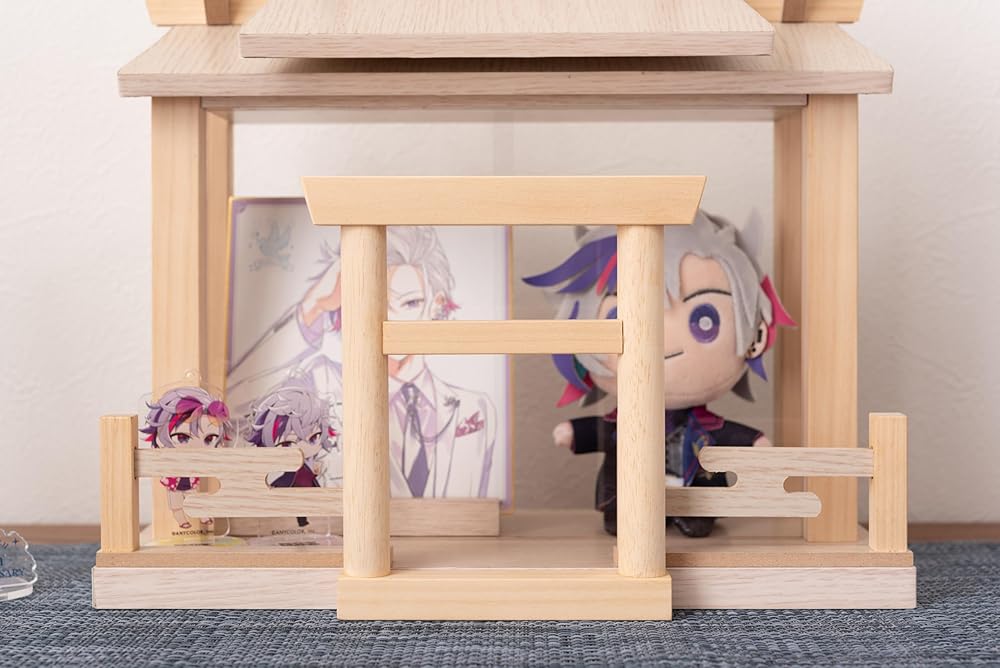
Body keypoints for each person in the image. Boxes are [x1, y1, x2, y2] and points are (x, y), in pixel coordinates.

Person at [523, 212, 795, 537]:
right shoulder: (624, 421)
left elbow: (730, 435)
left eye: (704, 320)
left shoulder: (705, 426)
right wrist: (574, 432)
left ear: (756, 335)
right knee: (624, 518)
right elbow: (601, 430)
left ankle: (692, 516)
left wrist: (754, 443)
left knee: (697, 520)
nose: (662, 341)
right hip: (627, 501)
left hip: (696, 497)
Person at [227, 226, 499, 499]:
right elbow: (232, 412)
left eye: (410, 303)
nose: (392, 319)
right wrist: (314, 306)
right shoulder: (321, 382)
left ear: (435, 305)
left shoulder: (476, 410)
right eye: (378, 304)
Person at [140, 387, 234, 529]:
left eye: (209, 439)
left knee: (194, 498)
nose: (198, 447)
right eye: (182, 437)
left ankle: (203, 517)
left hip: (190, 480)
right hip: (174, 481)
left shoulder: (198, 461)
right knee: (176, 503)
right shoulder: (166, 456)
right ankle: (181, 521)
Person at [246, 381, 337, 527]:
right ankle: (295, 522)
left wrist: (316, 469)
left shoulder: (309, 463)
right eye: (286, 444)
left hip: (307, 485)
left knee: (307, 504)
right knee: (292, 503)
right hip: (291, 484)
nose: (302, 448)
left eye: (313, 438)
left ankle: (302, 522)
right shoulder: (285, 469)